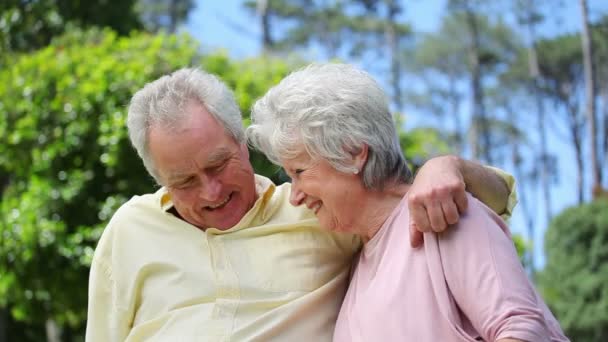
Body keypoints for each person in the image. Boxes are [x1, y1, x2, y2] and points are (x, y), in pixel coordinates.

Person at [86, 67, 515, 341]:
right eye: (184, 181)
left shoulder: (317, 210)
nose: (211, 192)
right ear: (158, 179)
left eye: (219, 165)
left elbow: (484, 203)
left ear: (243, 142)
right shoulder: (129, 231)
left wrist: (448, 166)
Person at [247, 63, 569, 341]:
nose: (296, 193)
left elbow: (522, 331)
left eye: (300, 171)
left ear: (353, 152)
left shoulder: (442, 216)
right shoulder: (358, 260)